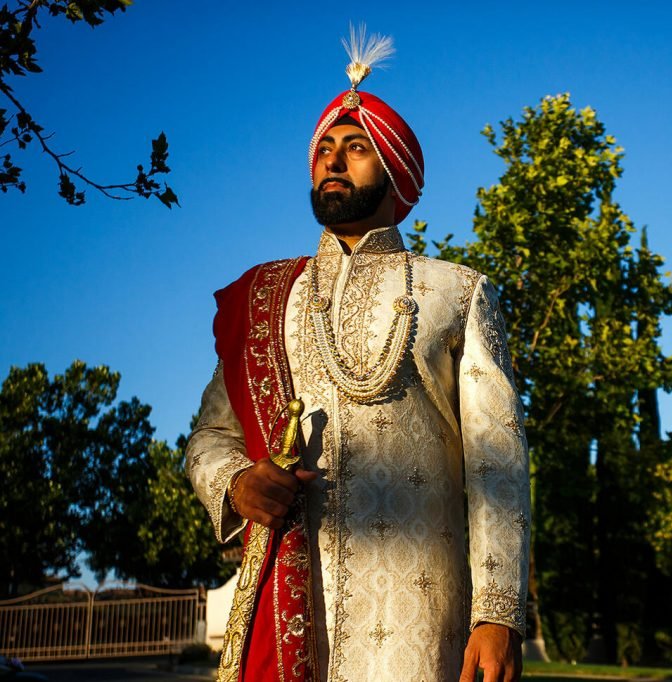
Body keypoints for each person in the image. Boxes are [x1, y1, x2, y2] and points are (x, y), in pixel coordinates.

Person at [187, 28, 530, 682]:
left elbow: (498, 460)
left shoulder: (456, 292)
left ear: (395, 172)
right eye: (323, 149)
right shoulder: (265, 297)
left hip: (422, 623)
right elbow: (209, 436)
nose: (333, 162)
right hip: (288, 608)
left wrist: (498, 613)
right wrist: (235, 482)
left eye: (356, 147)